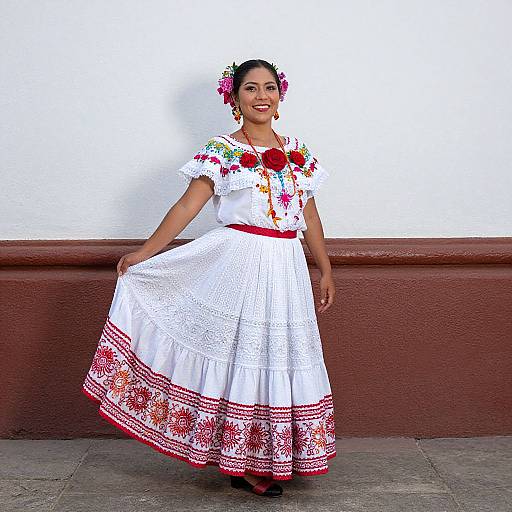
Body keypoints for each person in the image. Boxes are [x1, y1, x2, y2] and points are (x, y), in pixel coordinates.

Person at [82, 59, 336, 498]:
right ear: (233, 97)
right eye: (251, 88)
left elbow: (308, 214)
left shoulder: (298, 151)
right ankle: (240, 459)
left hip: (287, 267)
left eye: (270, 87)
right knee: (242, 355)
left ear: (281, 95)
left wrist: (325, 267)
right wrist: (146, 253)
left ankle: (271, 454)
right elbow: (187, 206)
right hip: (240, 263)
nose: (262, 96)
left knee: (279, 354)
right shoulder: (223, 150)